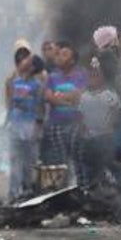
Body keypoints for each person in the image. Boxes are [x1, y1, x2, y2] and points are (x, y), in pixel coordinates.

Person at [43, 40, 87, 180]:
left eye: (65, 54)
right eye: (59, 54)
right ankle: (65, 187)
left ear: (72, 60)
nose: (60, 57)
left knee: (77, 157)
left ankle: (80, 186)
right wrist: (68, 99)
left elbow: (80, 96)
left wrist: (60, 97)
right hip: (56, 124)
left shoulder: (81, 75)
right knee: (61, 160)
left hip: (76, 124)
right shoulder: (52, 76)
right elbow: (49, 97)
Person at [77, 61, 121, 190]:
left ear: (102, 78)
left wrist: (110, 126)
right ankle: (93, 189)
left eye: (96, 76)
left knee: (110, 163)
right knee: (92, 166)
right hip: (90, 138)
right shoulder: (84, 97)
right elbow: (81, 116)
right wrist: (84, 131)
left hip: (106, 137)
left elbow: (117, 113)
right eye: (90, 77)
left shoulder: (110, 96)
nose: (92, 79)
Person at [6, 45, 45, 201]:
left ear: (32, 67)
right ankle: (13, 193)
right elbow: (10, 105)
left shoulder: (37, 85)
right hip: (15, 127)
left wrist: (37, 128)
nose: (24, 63)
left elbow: (40, 109)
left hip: (29, 127)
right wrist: (6, 124)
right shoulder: (13, 82)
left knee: (29, 163)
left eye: (28, 61)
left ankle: (28, 191)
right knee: (15, 161)